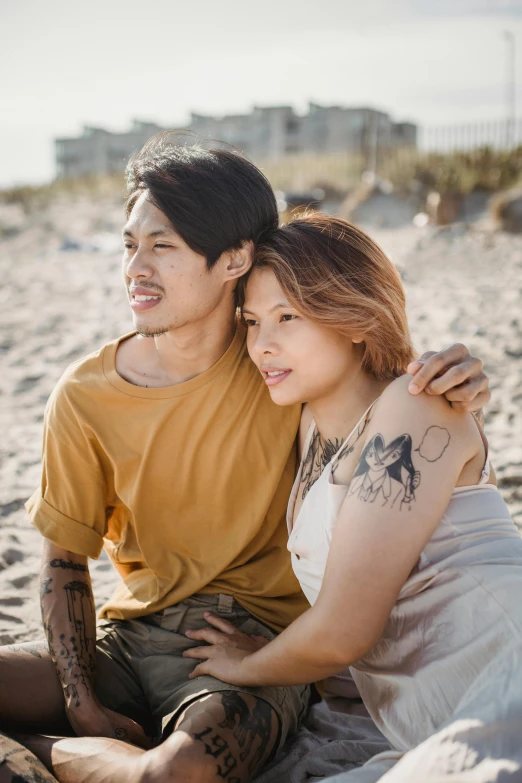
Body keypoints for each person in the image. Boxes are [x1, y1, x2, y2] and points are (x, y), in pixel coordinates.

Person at [0, 138, 490, 783]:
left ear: (232, 259)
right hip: (127, 635)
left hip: (253, 640)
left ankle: (33, 751)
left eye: (163, 246)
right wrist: (81, 703)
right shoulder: (85, 395)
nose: (135, 269)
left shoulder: (282, 363)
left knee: (171, 775)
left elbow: (373, 373)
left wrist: (454, 377)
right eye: (129, 245)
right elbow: (64, 559)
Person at [182, 215, 522, 782]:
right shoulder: (306, 422)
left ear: (357, 319)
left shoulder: (418, 405)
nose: (261, 345)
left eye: (287, 316)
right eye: (251, 321)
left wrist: (249, 664)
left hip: (505, 675)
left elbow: (343, 631)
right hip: (428, 723)